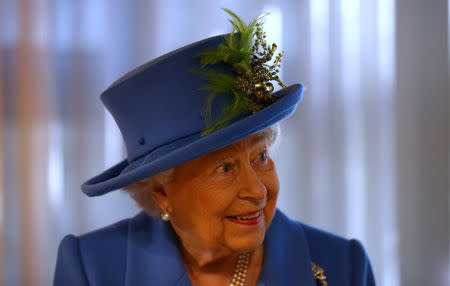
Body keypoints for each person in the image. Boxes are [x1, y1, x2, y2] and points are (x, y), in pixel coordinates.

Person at [53, 9, 375, 286]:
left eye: (260, 156)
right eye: (225, 168)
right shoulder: (91, 270)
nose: (258, 190)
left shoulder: (344, 268)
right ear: (162, 194)